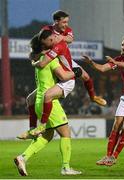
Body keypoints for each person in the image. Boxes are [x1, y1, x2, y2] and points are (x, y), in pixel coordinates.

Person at [14, 34, 82, 176]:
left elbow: (32, 56)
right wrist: (76, 72)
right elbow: (63, 76)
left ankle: (22, 158)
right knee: (65, 133)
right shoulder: (51, 60)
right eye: (50, 40)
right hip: (49, 102)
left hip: (39, 100)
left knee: (47, 136)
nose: (53, 42)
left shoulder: (38, 59)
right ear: (45, 46)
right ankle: (66, 167)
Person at [83, 36, 124, 166]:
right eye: (122, 44)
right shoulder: (118, 59)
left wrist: (116, 63)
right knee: (116, 125)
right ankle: (107, 156)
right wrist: (91, 62)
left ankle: (114, 157)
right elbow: (102, 68)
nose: (122, 47)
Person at [18, 29, 82, 138]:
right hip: (61, 78)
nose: (43, 45)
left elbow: (42, 64)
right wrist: (38, 55)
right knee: (30, 99)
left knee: (47, 95)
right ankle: (32, 129)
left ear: (50, 39)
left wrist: (76, 73)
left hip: (67, 79)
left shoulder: (58, 47)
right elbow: (31, 55)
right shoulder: (50, 47)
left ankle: (42, 125)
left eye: (44, 43)